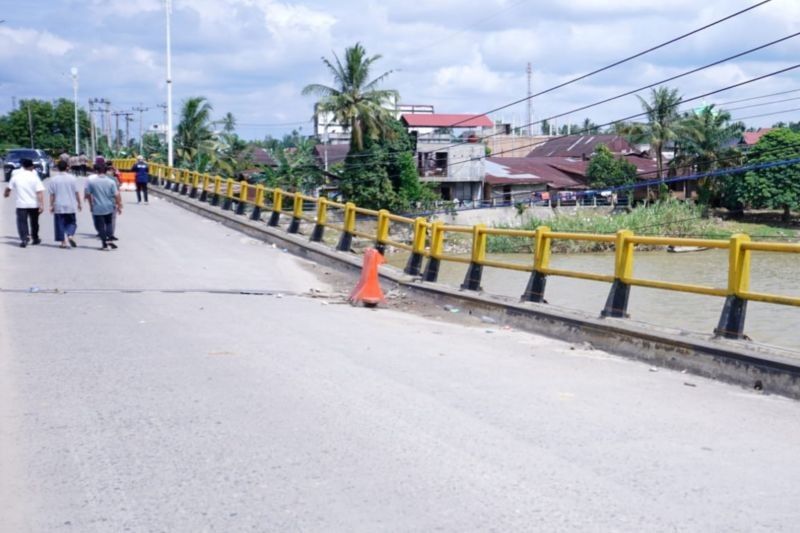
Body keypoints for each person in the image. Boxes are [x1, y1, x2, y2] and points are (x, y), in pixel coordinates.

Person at [3, 158, 45, 247]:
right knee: (34, 222)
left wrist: (6, 194)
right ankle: (35, 238)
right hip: (34, 204)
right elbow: (39, 192)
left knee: (22, 222)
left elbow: (8, 188)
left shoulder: (16, 176)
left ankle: (24, 238)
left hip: (21, 204)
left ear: (22, 166)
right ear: (32, 167)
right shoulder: (35, 177)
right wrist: (41, 205)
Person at [85, 160, 122, 250]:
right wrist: (119, 205)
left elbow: (88, 195)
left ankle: (104, 244)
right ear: (106, 171)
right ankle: (109, 240)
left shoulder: (92, 182)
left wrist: (91, 205)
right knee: (109, 223)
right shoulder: (111, 182)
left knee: (101, 226)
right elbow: (117, 195)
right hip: (109, 206)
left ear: (97, 171)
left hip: (97, 207)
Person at [48, 159, 82, 248]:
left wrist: (51, 205)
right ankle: (70, 235)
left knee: (60, 224)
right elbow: (77, 192)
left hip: (59, 205)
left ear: (58, 168)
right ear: (67, 168)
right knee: (72, 222)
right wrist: (79, 203)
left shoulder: (53, 179)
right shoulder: (72, 178)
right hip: (70, 205)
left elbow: (52, 194)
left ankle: (63, 243)